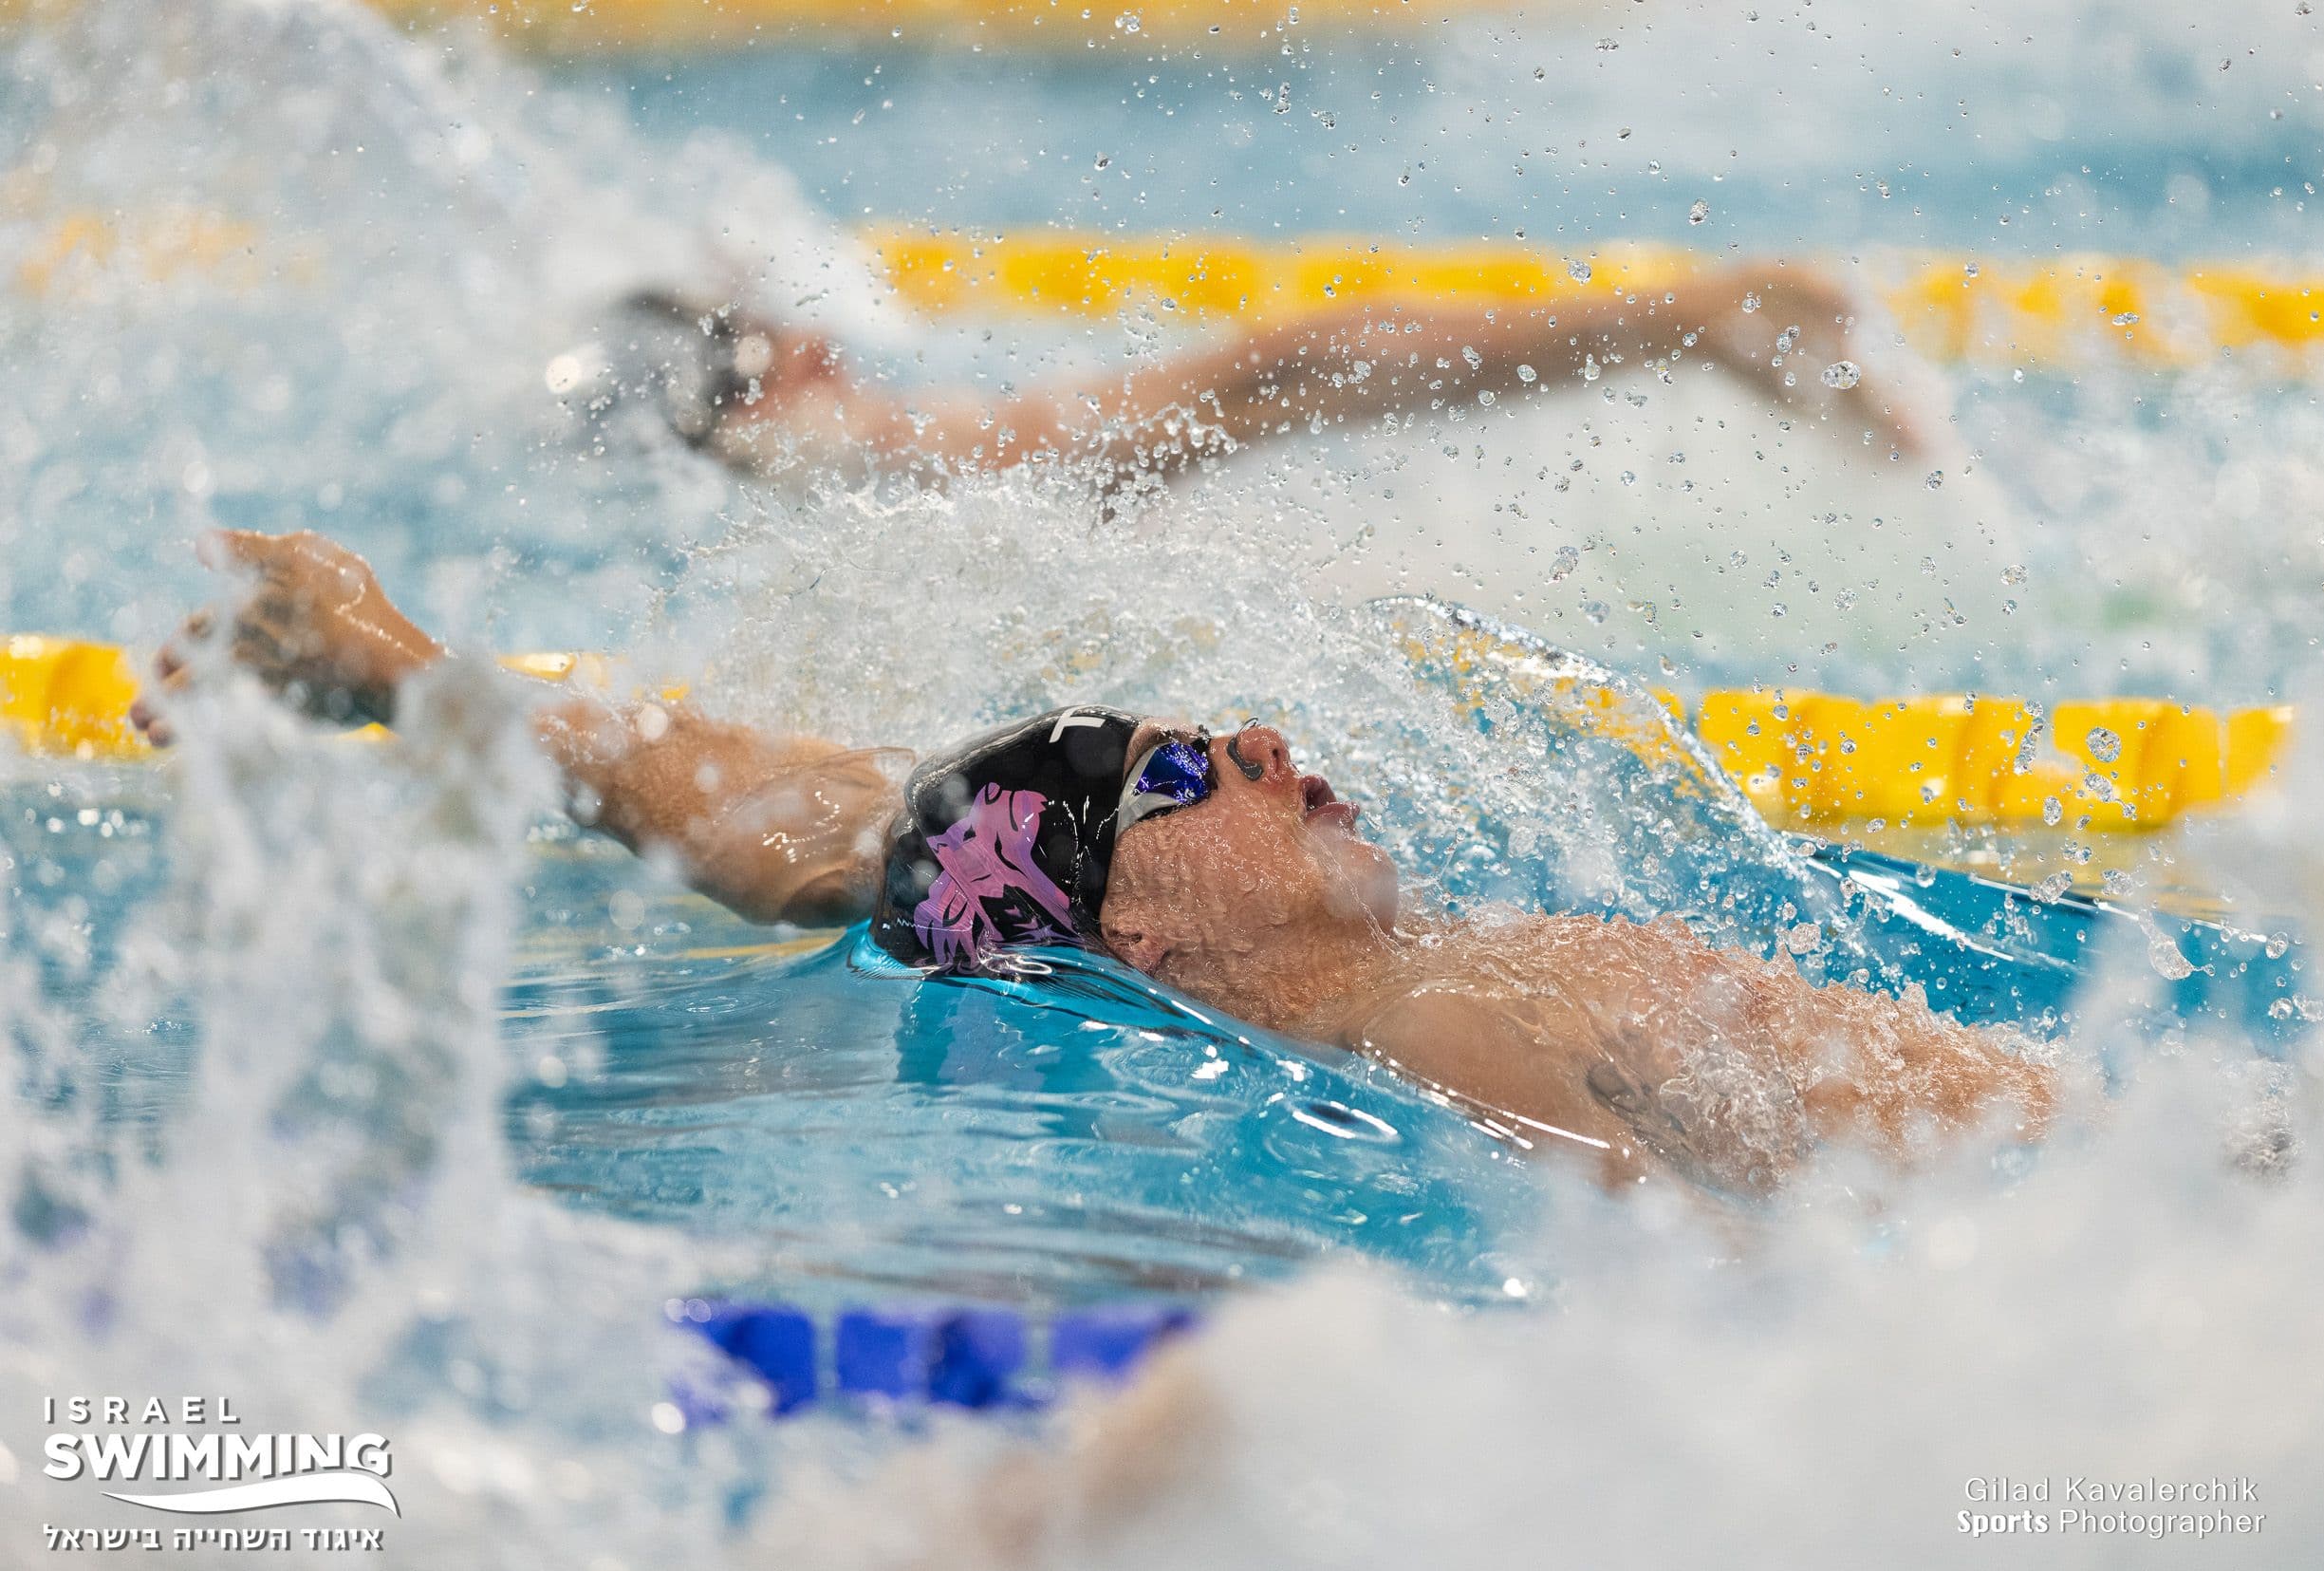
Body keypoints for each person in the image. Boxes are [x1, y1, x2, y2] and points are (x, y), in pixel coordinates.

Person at [132, 529, 2053, 1199]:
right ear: (1130, 914)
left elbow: (776, 823)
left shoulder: (1313, 980)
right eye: (1192, 772)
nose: (1273, 743)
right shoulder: (1446, 1012)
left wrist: (392, 660)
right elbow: (1703, 1297)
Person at [582, 260, 1920, 487]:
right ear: (740, 393)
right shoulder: (784, 441)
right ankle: (1691, 321)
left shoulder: (791, 427)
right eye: (766, 337)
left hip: (1087, 454)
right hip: (1079, 461)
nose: (810, 334)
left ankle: (1692, 326)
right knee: (1344, 353)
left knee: (1354, 354)